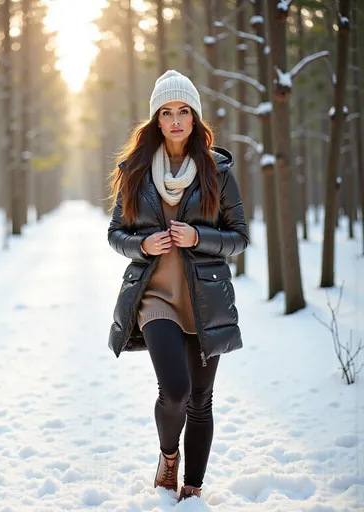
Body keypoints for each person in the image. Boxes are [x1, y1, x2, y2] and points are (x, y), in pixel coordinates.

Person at [106, 70, 249, 502]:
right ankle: (169, 459)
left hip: (205, 301)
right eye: (166, 112)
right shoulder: (134, 172)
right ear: (155, 119)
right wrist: (142, 243)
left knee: (201, 400)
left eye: (183, 111)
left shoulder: (217, 172)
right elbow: (115, 234)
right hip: (154, 298)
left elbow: (239, 237)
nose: (174, 120)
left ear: (195, 117)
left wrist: (199, 238)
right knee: (176, 390)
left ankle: (193, 487)